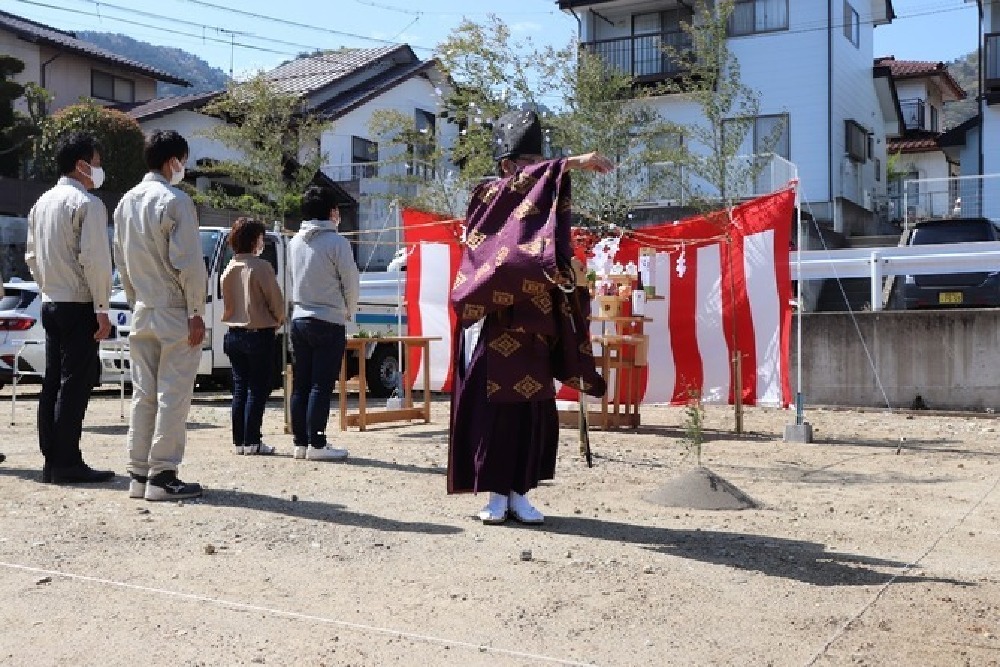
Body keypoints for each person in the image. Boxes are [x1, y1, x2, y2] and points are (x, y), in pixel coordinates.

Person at [448, 109, 613, 525]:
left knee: (532, 413)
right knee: (495, 414)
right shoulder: (487, 196)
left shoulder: (544, 211)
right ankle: (494, 494)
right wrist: (570, 162)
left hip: (537, 323)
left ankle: (520, 493)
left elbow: (553, 253)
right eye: (529, 166)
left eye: (542, 166)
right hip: (496, 319)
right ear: (507, 167)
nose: (541, 176)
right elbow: (497, 250)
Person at [113, 130, 207, 501]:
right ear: (173, 161)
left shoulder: (125, 202)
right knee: (173, 394)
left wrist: (138, 298)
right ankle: (164, 475)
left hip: (142, 307)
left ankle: (138, 474)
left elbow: (121, 259)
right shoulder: (175, 200)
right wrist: (196, 311)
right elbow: (188, 264)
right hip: (173, 308)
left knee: (144, 394)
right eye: (182, 160)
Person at [25, 131, 114, 484]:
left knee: (53, 383)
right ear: (81, 165)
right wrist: (103, 307)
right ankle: (66, 462)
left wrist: (49, 285)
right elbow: (94, 259)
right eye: (96, 162)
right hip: (79, 303)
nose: (99, 168)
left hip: (51, 301)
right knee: (76, 383)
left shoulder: (41, 202)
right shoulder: (88, 204)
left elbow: (31, 256)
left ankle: (53, 457)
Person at [288, 185, 359, 461]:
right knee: (321, 385)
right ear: (332, 212)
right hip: (329, 320)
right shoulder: (337, 242)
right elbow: (350, 282)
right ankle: (318, 443)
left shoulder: (295, 241)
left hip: (300, 319)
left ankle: (300, 442)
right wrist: (348, 310)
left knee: (301, 384)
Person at [220, 217, 285, 456]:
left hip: (234, 335)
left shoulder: (228, 268)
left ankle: (240, 441)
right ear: (253, 240)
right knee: (258, 390)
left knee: (240, 388)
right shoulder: (261, 267)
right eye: (260, 238)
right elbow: (276, 303)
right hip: (259, 335)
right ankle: (253, 440)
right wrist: (278, 320)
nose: (262, 243)